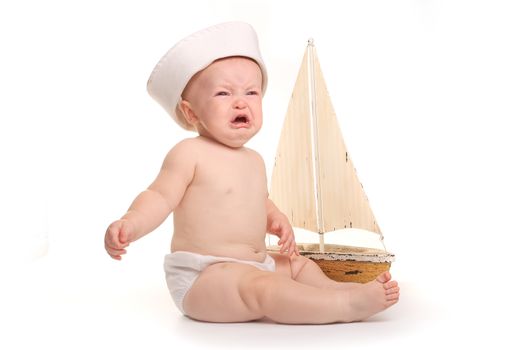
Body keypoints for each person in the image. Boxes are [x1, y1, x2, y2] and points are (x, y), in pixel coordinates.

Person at [104, 22, 399, 324]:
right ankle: (343, 306)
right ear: (192, 113)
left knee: (298, 266)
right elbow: (159, 197)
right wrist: (131, 222)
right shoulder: (189, 154)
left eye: (251, 92)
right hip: (205, 276)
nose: (241, 101)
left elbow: (257, 201)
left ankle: (336, 291)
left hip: (257, 264)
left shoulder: (253, 159)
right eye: (223, 93)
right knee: (266, 288)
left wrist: (276, 218)